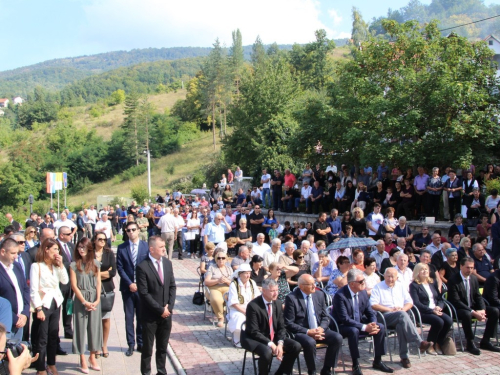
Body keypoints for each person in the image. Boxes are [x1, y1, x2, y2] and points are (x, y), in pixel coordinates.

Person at [332, 269, 393, 375]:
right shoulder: (340, 296)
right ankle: (355, 364)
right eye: (361, 281)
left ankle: (378, 361)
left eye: (363, 280)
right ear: (352, 284)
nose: (363, 283)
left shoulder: (363, 292)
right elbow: (344, 319)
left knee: (380, 327)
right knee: (354, 331)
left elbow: (370, 312)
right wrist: (365, 327)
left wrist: (373, 324)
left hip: (359, 322)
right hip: (342, 326)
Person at [370, 267, 432, 368]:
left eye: (392, 277)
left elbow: (410, 302)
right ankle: (419, 342)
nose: (390, 279)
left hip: (400, 316)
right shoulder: (378, 287)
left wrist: (402, 309)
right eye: (388, 276)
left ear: (397, 277)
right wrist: (390, 310)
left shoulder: (400, 286)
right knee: (402, 316)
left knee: (401, 324)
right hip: (384, 316)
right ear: (384, 276)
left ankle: (404, 357)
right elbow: (373, 305)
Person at [284, 274, 342, 375]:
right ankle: (312, 370)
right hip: (302, 331)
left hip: (318, 328)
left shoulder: (319, 295)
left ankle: (327, 369)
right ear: (301, 286)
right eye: (310, 284)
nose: (314, 286)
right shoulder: (292, 298)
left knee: (337, 338)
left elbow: (325, 316)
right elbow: (289, 323)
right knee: (310, 342)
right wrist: (308, 331)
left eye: (314, 283)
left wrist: (321, 328)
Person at [241, 278, 302, 375]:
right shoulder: (253, 306)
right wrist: (271, 344)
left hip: (273, 336)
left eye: (277, 290)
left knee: (296, 346)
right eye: (272, 291)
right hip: (255, 339)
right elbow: (254, 331)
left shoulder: (277, 303)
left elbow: (282, 326)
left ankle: (280, 372)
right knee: (267, 352)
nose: (276, 293)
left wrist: (280, 344)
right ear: (264, 291)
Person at [136, 236, 176, 375]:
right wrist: (160, 310)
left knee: (162, 347)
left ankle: (161, 371)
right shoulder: (142, 266)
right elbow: (144, 293)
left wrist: (169, 308)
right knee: (147, 349)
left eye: (164, 246)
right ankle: (146, 372)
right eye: (161, 247)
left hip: (166, 315)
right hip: (150, 316)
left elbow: (172, 286)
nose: (164, 249)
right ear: (151, 249)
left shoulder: (167, 263)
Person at [30, 238, 69, 375]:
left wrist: (61, 265)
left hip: (56, 302)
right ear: (46, 249)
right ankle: (40, 367)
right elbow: (34, 290)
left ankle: (51, 363)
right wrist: (38, 308)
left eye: (58, 249)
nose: (57, 252)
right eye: (54, 249)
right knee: (42, 337)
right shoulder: (37, 266)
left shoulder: (56, 266)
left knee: (53, 335)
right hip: (44, 303)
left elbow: (65, 281)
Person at [446, 256, 500, 355]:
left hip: (472, 307)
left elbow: (478, 296)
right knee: (467, 314)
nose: (469, 270)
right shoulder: (453, 280)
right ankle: (470, 342)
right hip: (458, 309)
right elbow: (456, 301)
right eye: (467, 267)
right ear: (461, 266)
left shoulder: (473, 279)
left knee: (494, 311)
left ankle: (486, 341)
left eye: (471, 268)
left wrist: (482, 309)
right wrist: (474, 313)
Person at [116, 221, 149, 357]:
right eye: (128, 230)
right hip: (128, 288)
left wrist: (140, 284)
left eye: (133, 230)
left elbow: (148, 266)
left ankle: (141, 343)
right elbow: (120, 267)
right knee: (129, 317)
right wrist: (130, 283)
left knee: (142, 317)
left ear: (138, 230)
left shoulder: (145, 247)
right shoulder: (122, 248)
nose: (131, 232)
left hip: (142, 289)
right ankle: (130, 344)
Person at [70, 237, 102, 373]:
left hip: (94, 297)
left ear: (89, 249)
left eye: (83, 247)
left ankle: (92, 356)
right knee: (80, 328)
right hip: (81, 299)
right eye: (79, 247)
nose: (81, 249)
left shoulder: (95, 263)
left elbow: (99, 282)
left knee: (94, 328)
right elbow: (74, 285)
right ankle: (82, 357)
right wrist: (84, 302)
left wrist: (97, 299)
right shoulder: (73, 265)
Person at [409, 263, 454, 356]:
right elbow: (416, 303)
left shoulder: (432, 282)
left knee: (449, 321)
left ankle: (438, 342)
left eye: (426, 269)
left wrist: (439, 307)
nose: (425, 271)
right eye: (422, 269)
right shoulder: (414, 285)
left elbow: (440, 298)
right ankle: (430, 344)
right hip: (423, 312)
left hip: (435, 310)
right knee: (439, 322)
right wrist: (432, 310)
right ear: (417, 272)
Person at [0, 238, 30, 341]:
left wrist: (25, 313)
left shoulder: (16, 266)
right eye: (13, 253)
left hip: (20, 320)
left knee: (16, 353)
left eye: (17, 253)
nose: (16, 256)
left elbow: (25, 289)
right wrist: (15, 318)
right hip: (5, 323)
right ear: (3, 252)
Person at [93, 233, 116, 358]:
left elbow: (113, 272)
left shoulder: (109, 253)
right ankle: (96, 346)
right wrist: (104, 273)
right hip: (92, 290)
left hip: (106, 289)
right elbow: (87, 271)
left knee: (105, 319)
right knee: (94, 320)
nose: (102, 241)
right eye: (100, 239)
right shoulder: (90, 253)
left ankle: (104, 345)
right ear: (95, 240)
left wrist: (96, 274)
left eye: (104, 239)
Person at [228, 263, 261, 347]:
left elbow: (257, 297)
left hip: (251, 308)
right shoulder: (234, 284)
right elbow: (234, 303)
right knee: (240, 318)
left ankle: (254, 338)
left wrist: (252, 309)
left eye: (249, 273)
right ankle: (237, 340)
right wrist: (245, 311)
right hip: (237, 309)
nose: (248, 275)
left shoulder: (252, 283)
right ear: (240, 274)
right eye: (246, 273)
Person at [204, 248, 232, 327]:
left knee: (233, 298)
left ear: (226, 259)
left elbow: (233, 283)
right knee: (217, 300)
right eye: (219, 258)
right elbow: (206, 282)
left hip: (227, 287)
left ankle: (231, 316)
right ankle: (220, 318)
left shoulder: (229, 269)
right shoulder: (212, 268)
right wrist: (217, 281)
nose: (221, 260)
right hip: (214, 287)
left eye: (223, 258)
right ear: (216, 259)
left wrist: (226, 281)